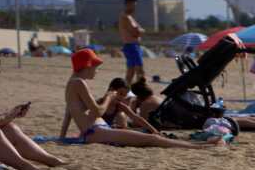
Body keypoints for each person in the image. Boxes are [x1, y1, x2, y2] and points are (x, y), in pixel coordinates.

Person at [64, 49, 220, 148]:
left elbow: (69, 112)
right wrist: (109, 98)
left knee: (149, 138)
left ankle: (198, 144)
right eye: (95, 68)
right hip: (96, 131)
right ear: (88, 65)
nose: (96, 72)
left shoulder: (72, 83)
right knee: (152, 140)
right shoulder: (79, 82)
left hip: (94, 131)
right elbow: (97, 111)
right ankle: (200, 146)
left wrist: (62, 136)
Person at [119, 0, 145, 87]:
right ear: (127, 5)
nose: (134, 8)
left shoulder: (129, 17)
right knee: (139, 70)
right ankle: (140, 91)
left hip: (130, 45)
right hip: (132, 46)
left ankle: (125, 91)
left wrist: (139, 30)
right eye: (133, 5)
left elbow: (139, 30)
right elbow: (136, 32)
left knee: (131, 71)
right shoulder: (126, 17)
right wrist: (140, 31)